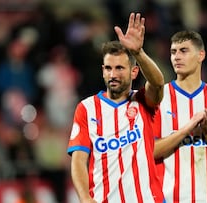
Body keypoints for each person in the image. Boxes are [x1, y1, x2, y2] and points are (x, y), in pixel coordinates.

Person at [67, 13, 165, 203]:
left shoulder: (143, 100)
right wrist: (85, 198)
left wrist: (138, 53)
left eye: (119, 68)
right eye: (108, 68)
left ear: (134, 72)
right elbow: (78, 160)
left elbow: (158, 84)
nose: (113, 74)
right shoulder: (86, 108)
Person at [154, 30, 207, 202]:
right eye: (173, 52)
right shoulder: (159, 97)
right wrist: (187, 129)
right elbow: (151, 151)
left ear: (201, 55)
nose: (176, 57)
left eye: (183, 51)